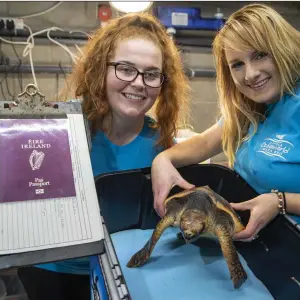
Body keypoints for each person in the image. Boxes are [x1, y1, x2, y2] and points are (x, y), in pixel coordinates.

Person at [18, 12, 190, 300]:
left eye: (151, 74)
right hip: (53, 273)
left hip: (124, 275)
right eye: (125, 68)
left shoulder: (165, 147)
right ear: (101, 69)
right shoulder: (56, 131)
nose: (138, 83)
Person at [151, 3, 300, 244]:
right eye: (237, 64)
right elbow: (205, 142)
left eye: (260, 55)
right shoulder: (252, 107)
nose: (250, 74)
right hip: (264, 249)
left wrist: (281, 201)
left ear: (283, 48)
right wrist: (163, 160)